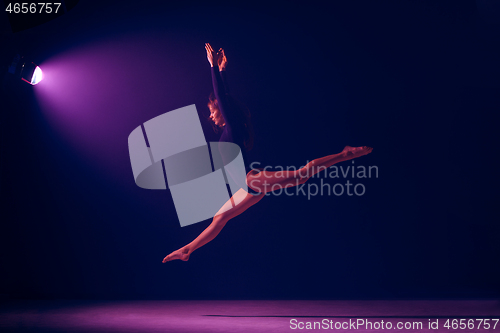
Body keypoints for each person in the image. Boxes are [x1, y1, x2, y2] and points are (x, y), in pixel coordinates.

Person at [162, 43, 372, 262]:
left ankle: (344, 154)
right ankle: (188, 250)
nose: (211, 117)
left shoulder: (233, 126)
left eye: (213, 112)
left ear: (222, 111)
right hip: (248, 188)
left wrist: (214, 67)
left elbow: (222, 97)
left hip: (251, 180)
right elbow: (225, 96)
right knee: (219, 218)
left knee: (301, 175)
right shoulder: (231, 127)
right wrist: (223, 71)